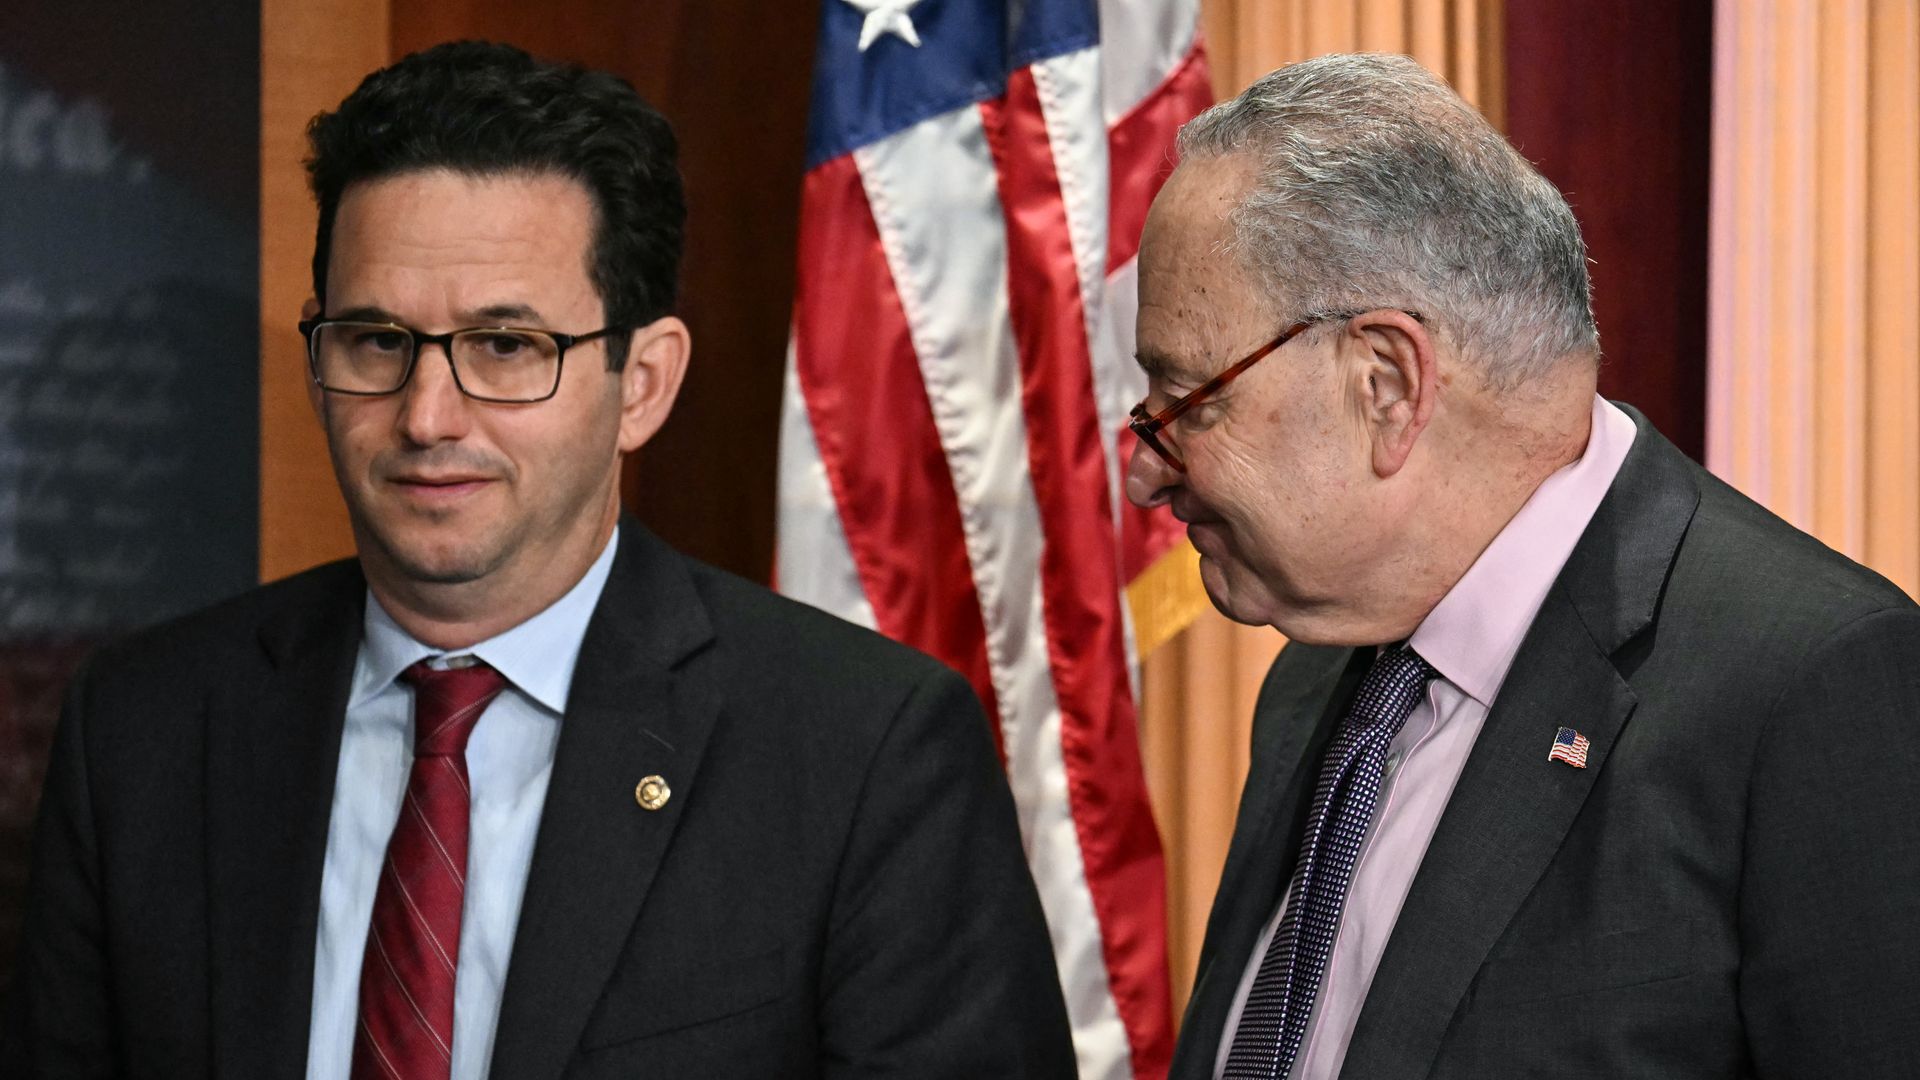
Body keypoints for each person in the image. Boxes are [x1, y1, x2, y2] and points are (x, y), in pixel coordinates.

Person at [3, 41, 1075, 1078]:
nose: (427, 416)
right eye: (377, 341)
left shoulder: (866, 755)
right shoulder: (142, 731)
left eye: (506, 347)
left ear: (642, 384)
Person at [1126, 53, 1920, 1080]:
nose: (1145, 470)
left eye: (1189, 401)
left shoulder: (1809, 690)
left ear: (1386, 384)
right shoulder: (1314, 677)